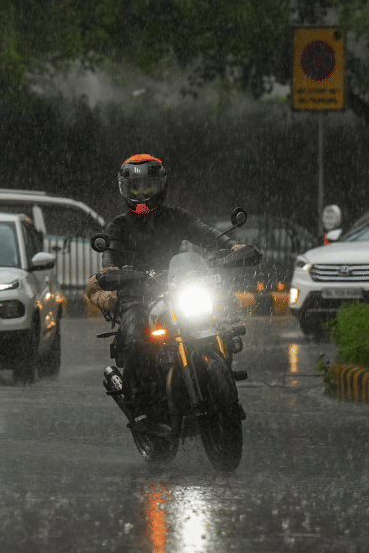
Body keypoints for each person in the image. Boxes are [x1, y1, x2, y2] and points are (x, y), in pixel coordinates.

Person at [85, 153, 250, 432]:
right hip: (137, 294)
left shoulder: (176, 217)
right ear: (125, 190)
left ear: (160, 186)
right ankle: (139, 409)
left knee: (223, 325)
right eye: (134, 187)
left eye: (147, 186)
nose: (141, 193)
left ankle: (223, 392)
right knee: (138, 339)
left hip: (177, 288)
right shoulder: (119, 225)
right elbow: (109, 256)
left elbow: (206, 233)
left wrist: (233, 248)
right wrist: (112, 271)